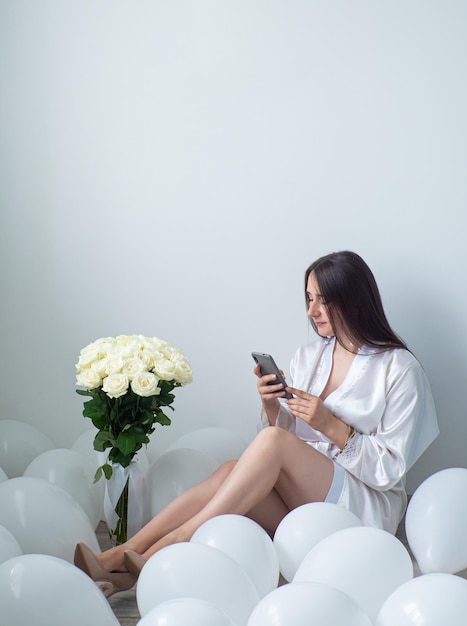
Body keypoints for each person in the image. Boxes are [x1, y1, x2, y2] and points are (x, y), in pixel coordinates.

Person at [74, 250, 439, 597]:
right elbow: (284, 444)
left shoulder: (400, 369)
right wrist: (270, 406)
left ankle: (173, 542)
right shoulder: (312, 355)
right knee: (231, 470)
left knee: (271, 444)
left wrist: (332, 425)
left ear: (352, 299)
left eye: (321, 299)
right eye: (308, 299)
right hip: (309, 500)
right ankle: (119, 559)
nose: (311, 310)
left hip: (364, 506)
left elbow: (391, 468)